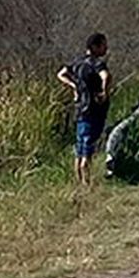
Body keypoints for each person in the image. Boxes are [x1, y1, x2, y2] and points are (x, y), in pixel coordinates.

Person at [56, 32, 111, 185]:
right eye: (103, 45)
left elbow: (61, 74)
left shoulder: (77, 63)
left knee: (79, 149)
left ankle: (79, 183)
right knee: (88, 149)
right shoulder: (96, 63)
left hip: (79, 108)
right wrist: (104, 93)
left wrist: (73, 85)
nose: (105, 48)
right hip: (93, 110)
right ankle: (87, 184)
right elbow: (106, 76)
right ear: (95, 47)